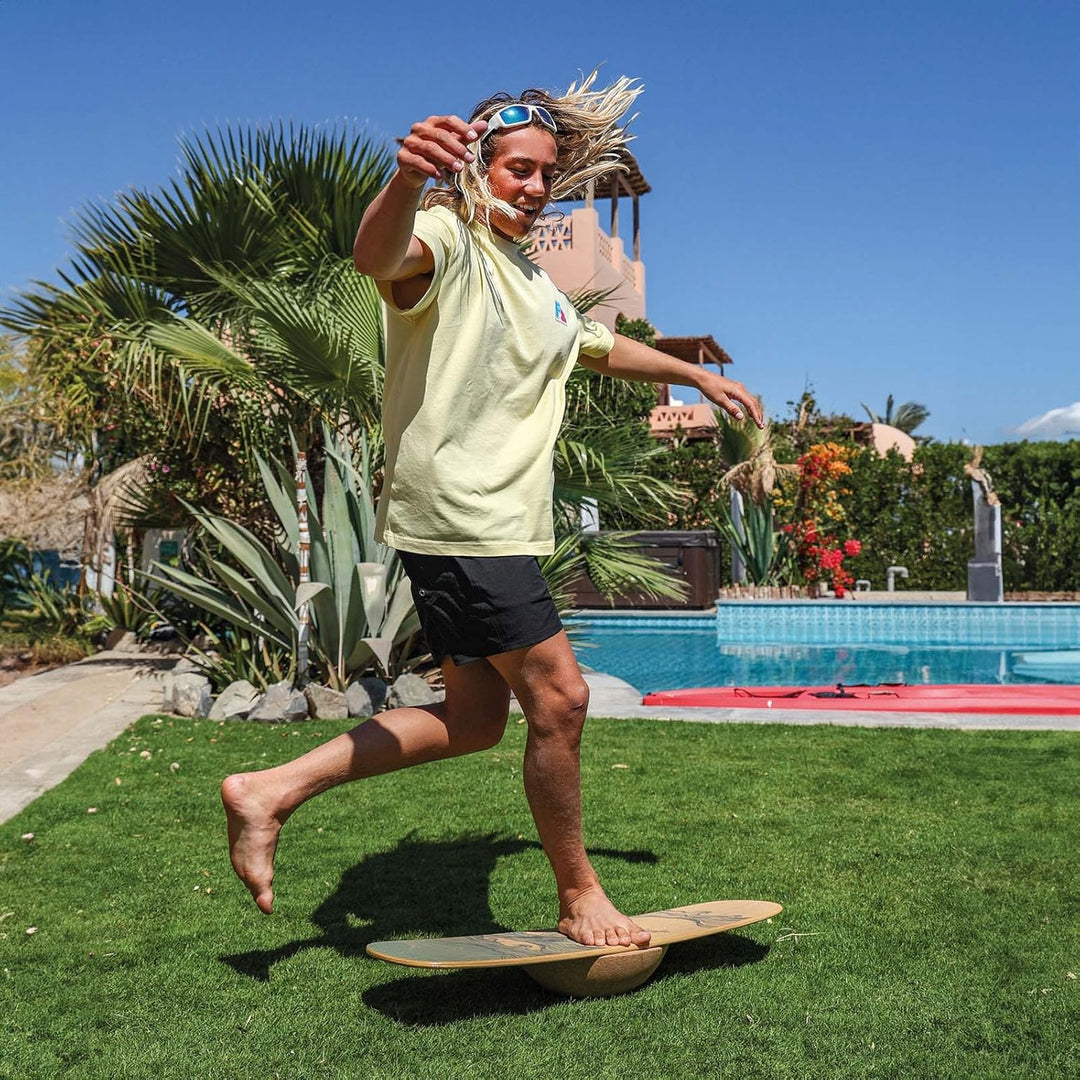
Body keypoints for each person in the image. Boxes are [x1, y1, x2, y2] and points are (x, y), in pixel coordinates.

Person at [222, 74, 763, 947]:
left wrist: (692, 373)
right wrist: (406, 179)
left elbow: (594, 342)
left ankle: (269, 790)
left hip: (491, 520)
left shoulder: (526, 272)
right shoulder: (444, 237)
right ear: (472, 169)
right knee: (563, 697)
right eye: (517, 169)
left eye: (546, 173)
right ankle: (580, 894)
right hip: (461, 512)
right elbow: (379, 258)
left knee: (474, 721)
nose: (536, 187)